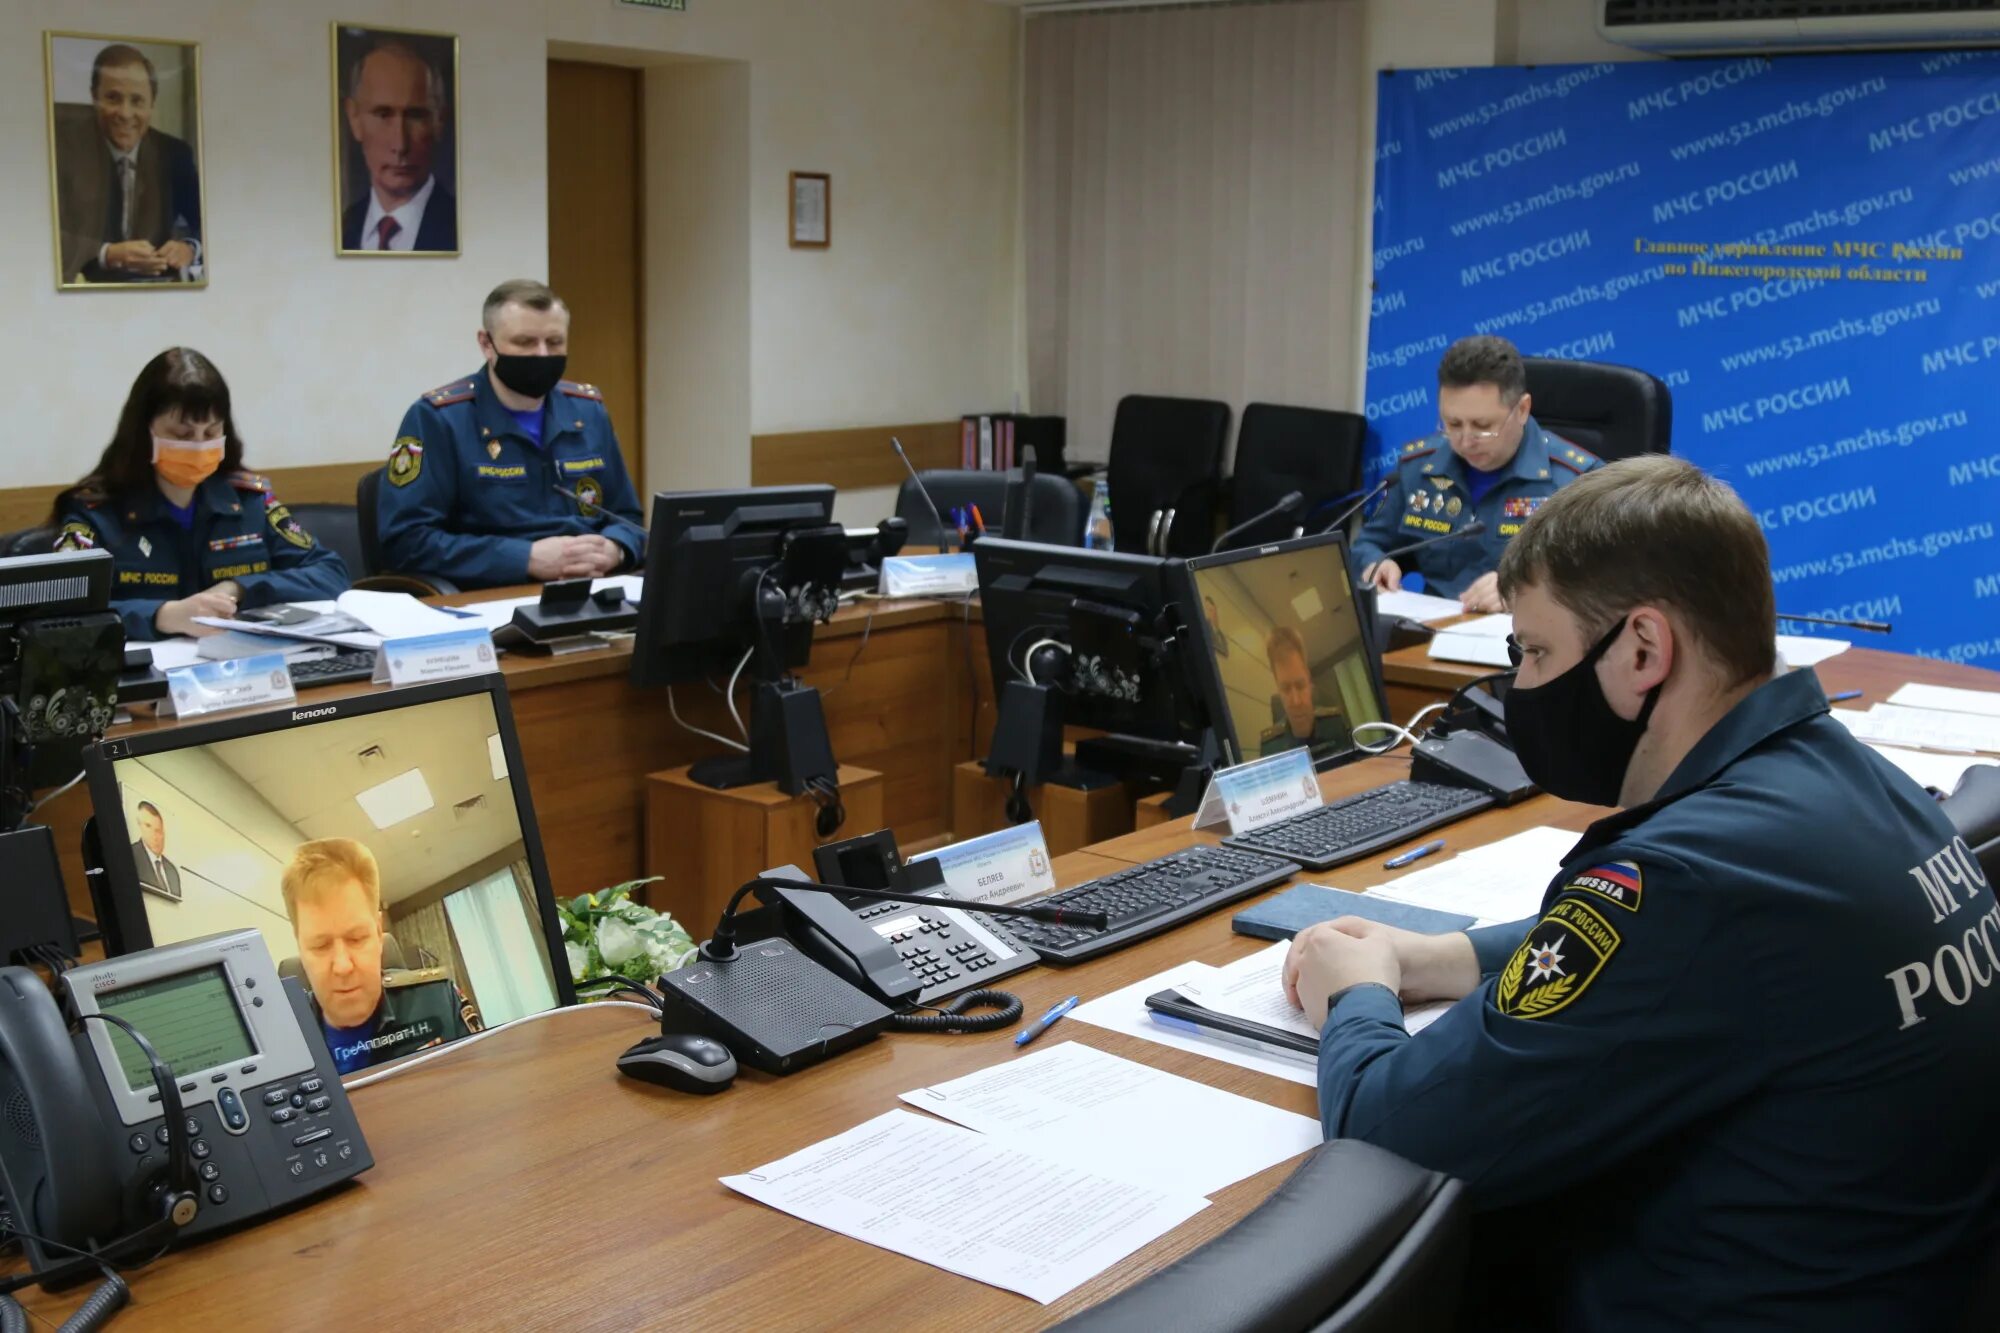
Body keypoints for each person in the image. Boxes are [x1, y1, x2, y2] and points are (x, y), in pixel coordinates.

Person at [1286, 456, 2000, 1329]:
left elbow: (1391, 1134)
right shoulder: (1857, 784)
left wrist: (1354, 993)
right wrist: (1443, 955)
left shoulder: (1688, 879)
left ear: (1644, 649)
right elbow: (1672, 955)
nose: (1525, 686)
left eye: (1538, 651)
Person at [51, 348, 351, 642]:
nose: (197, 445)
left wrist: (239, 588)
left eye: (210, 433)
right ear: (144, 432)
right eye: (182, 435)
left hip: (241, 671)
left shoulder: (249, 501)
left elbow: (331, 574)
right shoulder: (95, 512)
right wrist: (161, 615)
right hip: (143, 679)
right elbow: (62, 610)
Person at [376, 279, 645, 587]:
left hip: (593, 588)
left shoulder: (588, 411)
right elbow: (405, 542)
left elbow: (628, 517)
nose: (543, 355)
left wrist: (616, 549)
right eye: (525, 342)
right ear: (486, 344)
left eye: (554, 342)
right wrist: (524, 558)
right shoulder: (439, 418)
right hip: (492, 595)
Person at [1351, 335, 1601, 612]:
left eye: (1482, 426)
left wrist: (1525, 589)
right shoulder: (1419, 468)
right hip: (1427, 638)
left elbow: (1602, 578)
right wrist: (1375, 564)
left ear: (1522, 410)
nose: (1465, 441)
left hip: (1528, 642)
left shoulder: (1578, 481)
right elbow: (1370, 544)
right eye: (1453, 424)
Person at [280, 839, 472, 1076]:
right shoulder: (281, 1043)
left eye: (357, 938)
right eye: (320, 945)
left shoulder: (439, 1000)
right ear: (299, 945)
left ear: (379, 934)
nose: (342, 966)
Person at [53, 43, 203, 284]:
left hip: (158, 296)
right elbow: (37, 233)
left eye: (137, 101)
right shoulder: (60, 149)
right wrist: (106, 254)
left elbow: (209, 225)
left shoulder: (173, 154)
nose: (125, 113)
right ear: (94, 96)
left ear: (152, 104)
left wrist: (190, 247)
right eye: (113, 98)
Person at [339, 38, 455, 252]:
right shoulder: (342, 228)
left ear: (439, 121)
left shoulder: (462, 226)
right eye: (383, 115)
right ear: (354, 118)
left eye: (416, 116)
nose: (400, 145)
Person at [1258, 625, 1351, 758]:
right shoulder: (1270, 749)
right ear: (1277, 688)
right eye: (1285, 689)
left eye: (1300, 686)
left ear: (1308, 680)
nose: (1296, 701)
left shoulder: (1335, 724)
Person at [130, 801, 181, 900]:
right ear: (140, 827)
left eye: (158, 831)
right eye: (148, 827)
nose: (155, 836)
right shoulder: (131, 855)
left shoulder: (172, 871)